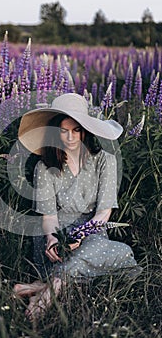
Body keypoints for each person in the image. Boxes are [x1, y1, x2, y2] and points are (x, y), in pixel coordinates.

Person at [14, 93, 142, 320]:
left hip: (93, 231)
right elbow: (49, 216)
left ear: (85, 130)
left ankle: (42, 288)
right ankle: (48, 292)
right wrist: (53, 239)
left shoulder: (105, 161)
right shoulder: (44, 167)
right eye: (63, 131)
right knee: (98, 259)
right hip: (55, 235)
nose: (70, 137)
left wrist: (82, 235)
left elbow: (104, 212)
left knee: (123, 254)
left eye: (76, 130)